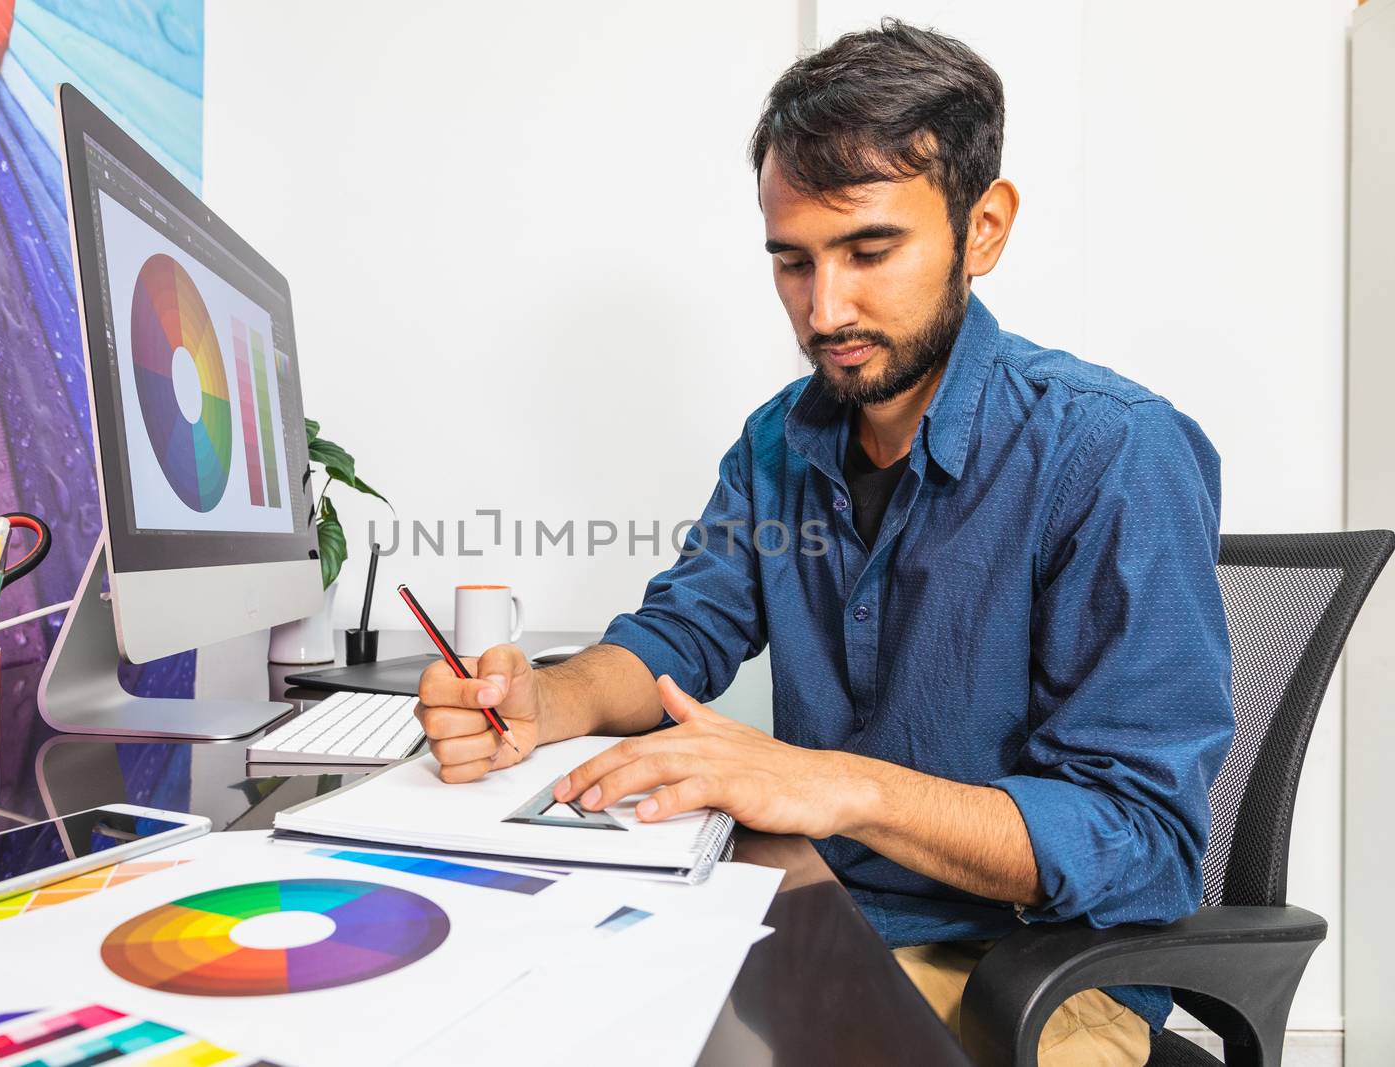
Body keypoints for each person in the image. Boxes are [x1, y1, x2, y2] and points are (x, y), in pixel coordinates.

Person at [415, 20, 1233, 1066]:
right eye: (793, 262)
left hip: (1024, 973)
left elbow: (1142, 840)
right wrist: (545, 698)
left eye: (868, 249)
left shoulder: (1112, 450)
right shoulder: (778, 439)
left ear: (983, 228)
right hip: (810, 916)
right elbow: (683, 629)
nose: (825, 306)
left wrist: (835, 782)